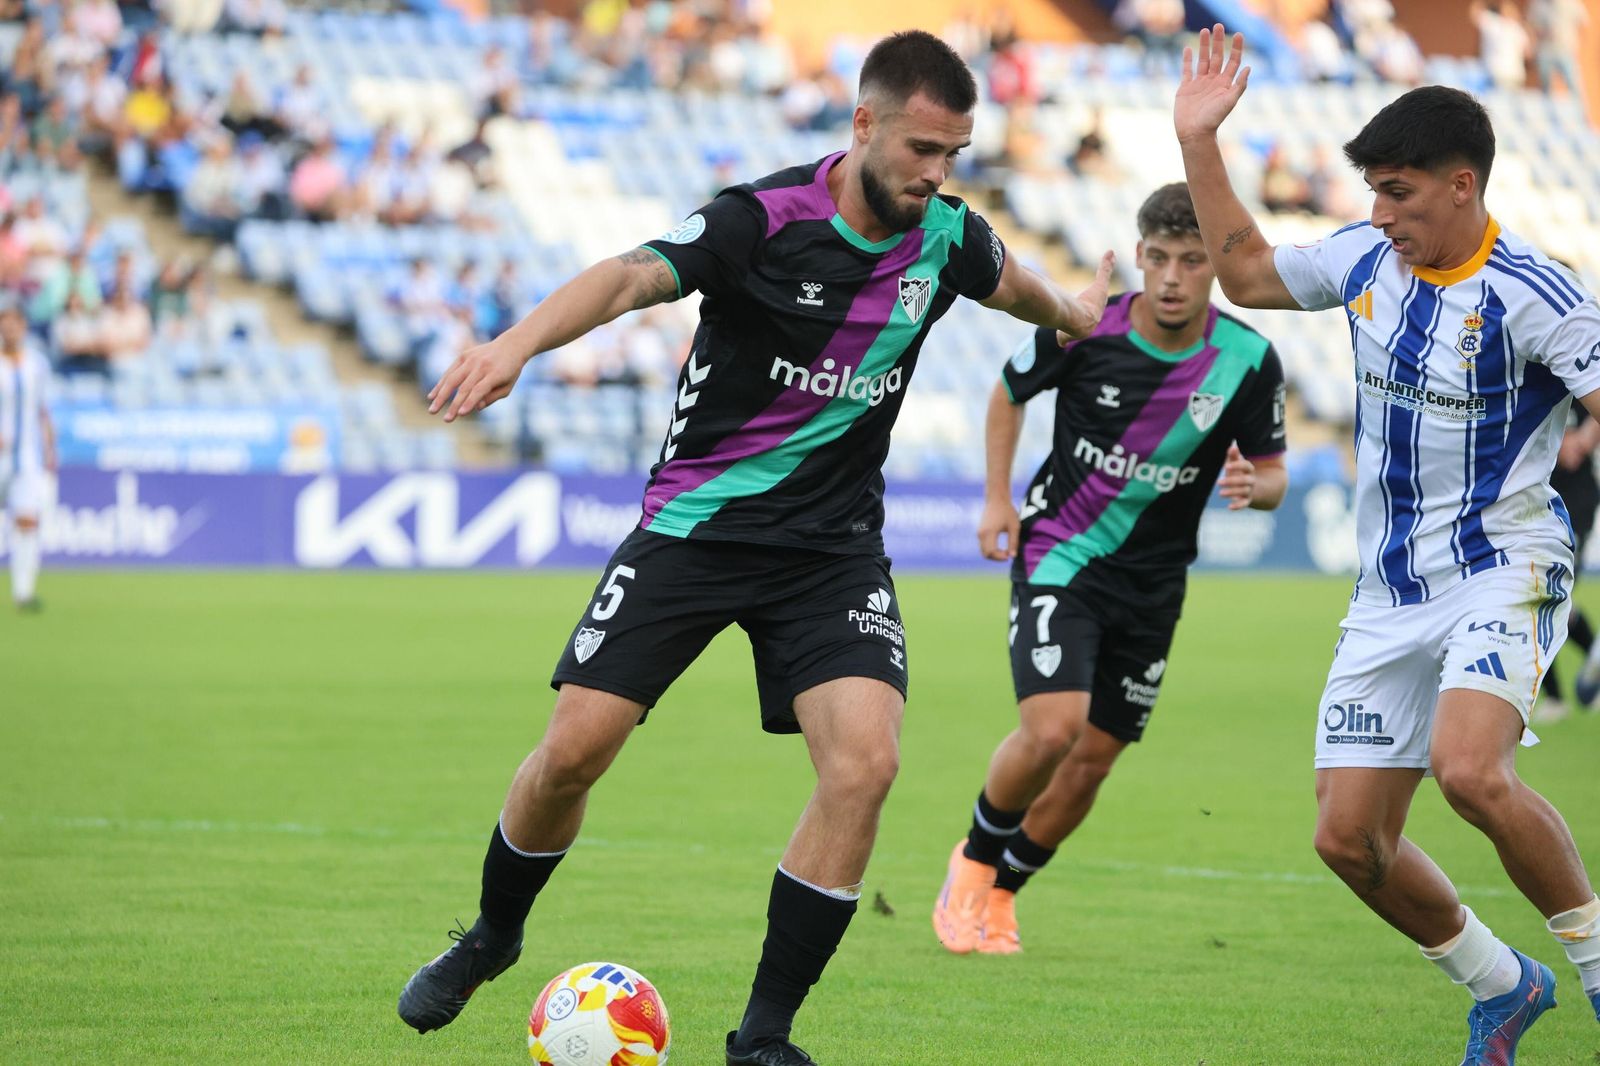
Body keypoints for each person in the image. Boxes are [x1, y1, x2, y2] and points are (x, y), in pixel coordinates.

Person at [398, 31, 1116, 1066]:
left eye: (953, 152)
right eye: (920, 147)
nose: (935, 172)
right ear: (863, 123)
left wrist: (1076, 313)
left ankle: (763, 1036)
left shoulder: (946, 237)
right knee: (572, 753)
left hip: (831, 552)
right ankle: (493, 933)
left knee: (865, 764)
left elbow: (1019, 288)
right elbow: (629, 275)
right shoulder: (760, 219)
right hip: (694, 528)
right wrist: (516, 345)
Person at [1175, 24, 1600, 1063]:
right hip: (1387, 589)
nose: (1379, 214)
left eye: (1398, 192)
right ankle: (1502, 985)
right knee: (1345, 838)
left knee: (1469, 773)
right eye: (1372, 190)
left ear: (1462, 185)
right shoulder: (1367, 258)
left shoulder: (1536, 296)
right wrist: (1198, 144)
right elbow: (1247, 274)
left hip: (1506, 563)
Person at [931, 182, 1288, 956]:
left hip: (1155, 585)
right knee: (1054, 728)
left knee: (1093, 760)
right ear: (1137, 255)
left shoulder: (1249, 361)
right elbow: (1006, 392)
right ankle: (973, 859)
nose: (1169, 277)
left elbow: (1274, 475)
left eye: (1191, 262)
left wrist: (1251, 487)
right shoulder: (1084, 329)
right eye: (1157, 258)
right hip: (1061, 552)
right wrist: (997, 498)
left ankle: (1001, 894)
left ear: (1213, 270)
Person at [1535, 405, 1600, 720]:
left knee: (1544, 596)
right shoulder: (1532, 376)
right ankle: (1593, 658)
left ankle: (1556, 698)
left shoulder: (1581, 372)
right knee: (1551, 600)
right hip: (1536, 503)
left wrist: (1579, 441)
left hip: (1576, 503)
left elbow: (1577, 447)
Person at [0, 300, 57, 612]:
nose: (9, 329)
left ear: (23, 327)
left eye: (14, 323)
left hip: (26, 455)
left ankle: (23, 592)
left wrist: (50, 447)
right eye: (4, 323)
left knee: (26, 520)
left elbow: (43, 410)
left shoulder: (37, 363)